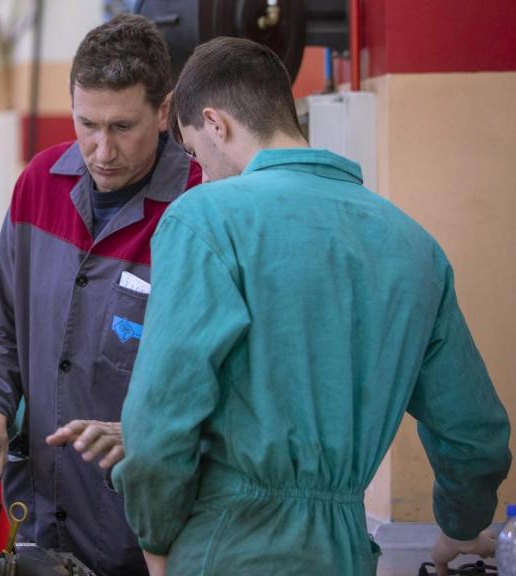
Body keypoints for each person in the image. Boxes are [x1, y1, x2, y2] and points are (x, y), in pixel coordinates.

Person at [112, 37, 511, 576]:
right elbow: (475, 434)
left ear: (214, 123)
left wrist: (155, 539)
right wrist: (461, 525)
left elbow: (160, 418)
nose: (200, 174)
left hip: (227, 548)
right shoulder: (415, 247)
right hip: (346, 552)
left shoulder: (205, 218)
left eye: (195, 155)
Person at [0, 14, 200, 576]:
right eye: (87, 124)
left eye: (122, 127)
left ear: (164, 112)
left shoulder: (199, 206)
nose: (102, 150)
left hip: (147, 533)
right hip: (38, 518)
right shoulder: (40, 184)